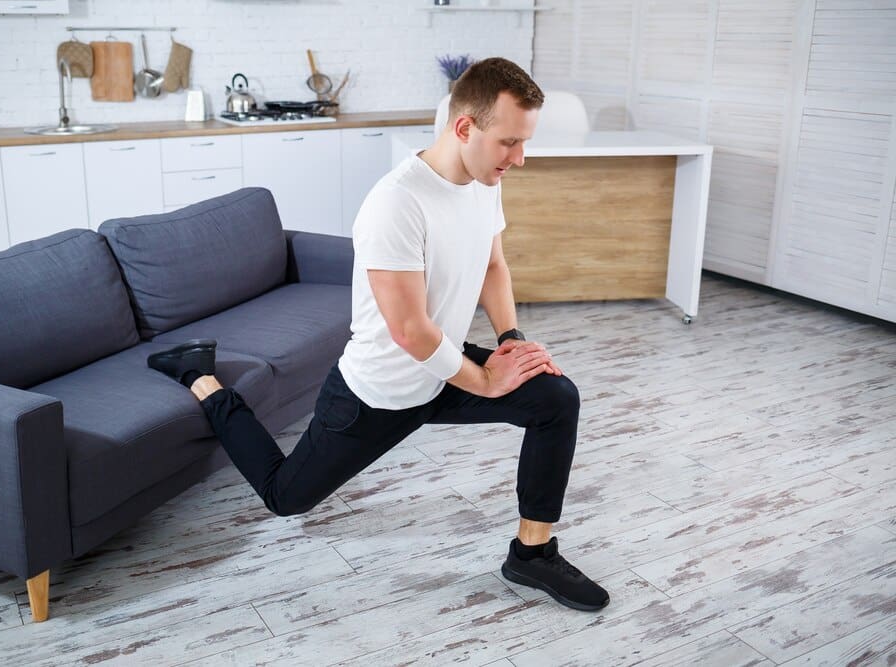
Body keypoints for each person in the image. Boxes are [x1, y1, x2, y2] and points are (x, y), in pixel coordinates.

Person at [147, 57, 609, 611]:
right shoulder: (397, 202)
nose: (520, 158)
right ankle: (201, 377)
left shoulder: (486, 179)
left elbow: (492, 266)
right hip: (377, 393)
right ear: (465, 128)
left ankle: (531, 556)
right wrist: (486, 380)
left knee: (556, 397)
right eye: (510, 142)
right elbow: (409, 331)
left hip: (443, 367)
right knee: (285, 498)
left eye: (523, 142)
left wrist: (510, 337)